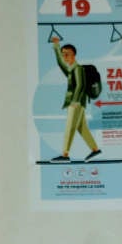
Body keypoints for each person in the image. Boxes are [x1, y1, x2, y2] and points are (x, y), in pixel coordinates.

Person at [49, 33, 101, 162]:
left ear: (74, 55)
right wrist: (56, 46)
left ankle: (65, 155)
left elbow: (81, 85)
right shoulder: (71, 70)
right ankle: (95, 149)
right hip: (77, 103)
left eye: (67, 54)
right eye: (63, 54)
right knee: (81, 127)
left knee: (70, 127)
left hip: (76, 103)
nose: (65, 56)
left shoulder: (78, 69)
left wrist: (75, 101)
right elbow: (61, 63)